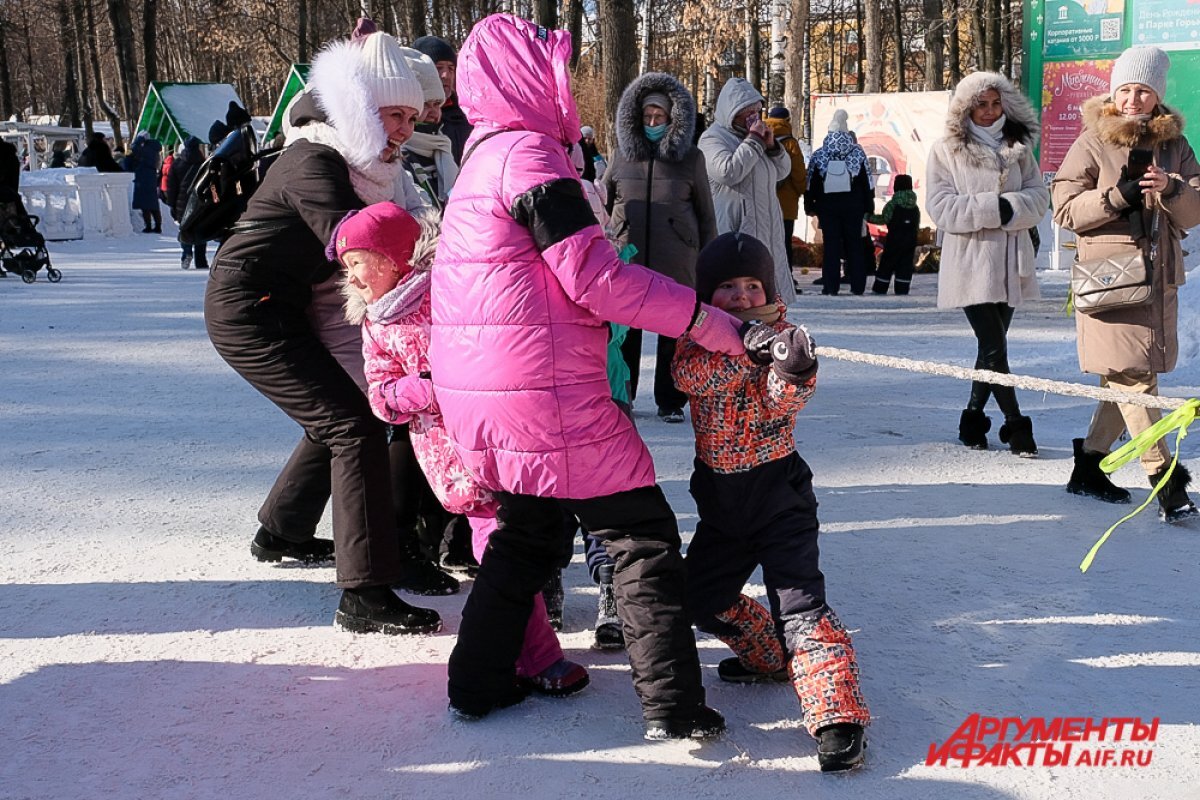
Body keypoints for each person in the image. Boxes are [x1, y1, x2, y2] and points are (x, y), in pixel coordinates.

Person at [432, 13, 744, 737]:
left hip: (490, 391)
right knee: (641, 537)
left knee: (529, 531)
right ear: (524, 77)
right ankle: (674, 706)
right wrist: (707, 322)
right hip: (546, 393)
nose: (563, 84)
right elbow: (596, 279)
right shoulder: (531, 161)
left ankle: (476, 683)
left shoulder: (484, 157)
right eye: (553, 69)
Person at [204, 30, 443, 634]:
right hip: (248, 311)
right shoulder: (315, 160)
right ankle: (364, 593)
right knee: (352, 423)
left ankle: (280, 530)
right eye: (394, 115)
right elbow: (358, 245)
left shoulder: (346, 163)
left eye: (411, 118)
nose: (403, 130)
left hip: (281, 307)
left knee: (338, 412)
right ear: (361, 109)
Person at [335, 201, 590, 694]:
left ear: (393, 256)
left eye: (357, 261)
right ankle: (538, 655)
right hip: (452, 458)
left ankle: (518, 644)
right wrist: (428, 388)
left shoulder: (453, 290)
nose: (352, 277)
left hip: (504, 435)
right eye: (347, 267)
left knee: (522, 538)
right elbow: (382, 398)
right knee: (498, 547)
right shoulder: (378, 323)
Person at [672, 231, 870, 772]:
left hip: (779, 498)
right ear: (708, 295)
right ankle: (767, 658)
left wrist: (791, 367)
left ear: (768, 289)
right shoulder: (694, 340)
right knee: (701, 598)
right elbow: (691, 375)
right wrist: (743, 346)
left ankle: (837, 716)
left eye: (751, 285)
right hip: (721, 506)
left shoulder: (783, 335)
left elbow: (782, 403)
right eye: (727, 287)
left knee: (800, 608)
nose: (740, 295)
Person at [1052, 46, 1200, 521]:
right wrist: (1118, 196)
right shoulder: (1091, 141)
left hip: (1157, 282)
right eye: (1126, 90)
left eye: (1144, 91)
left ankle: (1089, 465)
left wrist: (1173, 190)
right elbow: (1066, 209)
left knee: (1128, 376)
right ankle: (1166, 481)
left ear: (1157, 96)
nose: (1134, 99)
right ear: (1113, 93)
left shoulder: (1175, 145)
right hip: (1110, 281)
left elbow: (1196, 210)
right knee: (1135, 379)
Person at [927, 71, 1048, 457]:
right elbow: (940, 207)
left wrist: (1011, 207)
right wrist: (991, 208)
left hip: (1012, 260)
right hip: (971, 260)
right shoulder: (945, 149)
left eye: (996, 103)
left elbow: (1038, 197)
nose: (990, 110)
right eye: (982, 103)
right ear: (966, 106)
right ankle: (1017, 427)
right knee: (995, 347)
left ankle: (972, 421)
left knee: (989, 349)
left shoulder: (1019, 146)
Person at [604, 71, 717, 424]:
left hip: (677, 257)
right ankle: (624, 395)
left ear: (672, 120)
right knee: (626, 333)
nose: (653, 122)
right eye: (648, 117)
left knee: (673, 332)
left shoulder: (691, 159)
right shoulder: (621, 155)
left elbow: (706, 214)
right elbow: (604, 201)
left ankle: (671, 400)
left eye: (660, 117)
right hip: (629, 256)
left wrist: (709, 262)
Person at [699, 78, 796, 304]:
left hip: (768, 228)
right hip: (737, 231)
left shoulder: (756, 141)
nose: (754, 116)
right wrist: (753, 141)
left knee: (769, 297)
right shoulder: (712, 139)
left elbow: (782, 172)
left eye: (757, 110)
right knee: (743, 299)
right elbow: (727, 172)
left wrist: (772, 147)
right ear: (731, 112)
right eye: (747, 111)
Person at [804, 110, 874, 295]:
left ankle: (830, 286)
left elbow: (811, 181)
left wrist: (810, 205)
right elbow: (867, 181)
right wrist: (869, 206)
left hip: (828, 207)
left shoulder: (820, 154)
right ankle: (858, 285)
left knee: (831, 246)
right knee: (855, 245)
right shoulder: (857, 153)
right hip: (854, 206)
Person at [401, 48, 456, 209]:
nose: (433, 112)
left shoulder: (443, 145)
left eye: (437, 104)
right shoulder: (400, 153)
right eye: (426, 104)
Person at [412, 35, 472, 164]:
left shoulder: (468, 115)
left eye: (451, 69)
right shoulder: (409, 119)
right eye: (438, 68)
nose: (446, 75)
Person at [764, 106, 807, 279]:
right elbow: (798, 172)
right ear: (787, 120)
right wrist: (802, 190)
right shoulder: (790, 143)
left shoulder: (758, 137)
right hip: (786, 203)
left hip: (763, 199)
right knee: (783, 243)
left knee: (764, 242)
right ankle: (785, 279)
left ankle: (764, 278)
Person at [868, 173, 920, 295]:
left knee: (887, 263)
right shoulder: (915, 207)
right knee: (905, 264)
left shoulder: (893, 204)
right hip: (910, 240)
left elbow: (884, 219)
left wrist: (868, 217)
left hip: (894, 239)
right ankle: (902, 288)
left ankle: (880, 288)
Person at [164, 137, 208, 270]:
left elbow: (172, 187)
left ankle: (186, 252)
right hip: (199, 202)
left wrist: (171, 204)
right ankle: (201, 260)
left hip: (182, 203)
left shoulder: (177, 164)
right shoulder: (203, 163)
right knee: (200, 230)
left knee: (185, 229)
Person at [127, 132, 163, 233]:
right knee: (153, 203)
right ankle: (158, 226)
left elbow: (134, 149)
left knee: (145, 204)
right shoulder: (154, 149)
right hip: (150, 178)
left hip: (143, 178)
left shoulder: (145, 150)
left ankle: (148, 226)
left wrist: (138, 140)